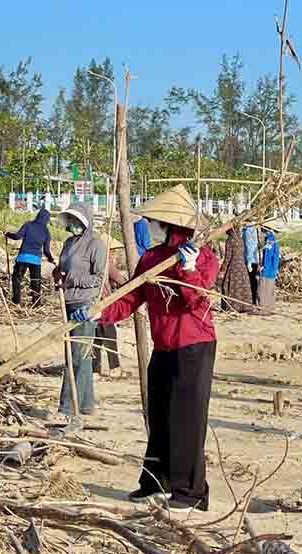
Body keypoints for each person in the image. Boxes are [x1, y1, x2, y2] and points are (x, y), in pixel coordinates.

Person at [99, 184, 219, 513]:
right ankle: (155, 481)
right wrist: (101, 312)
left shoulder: (204, 257)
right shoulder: (151, 258)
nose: (149, 226)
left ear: (168, 224)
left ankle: (190, 490)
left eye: (154, 221)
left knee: (187, 418)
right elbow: (130, 297)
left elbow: (195, 300)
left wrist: (189, 269)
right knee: (160, 413)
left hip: (194, 346)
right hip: (164, 346)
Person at [53, 202, 106, 418]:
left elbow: (100, 278)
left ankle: (67, 407)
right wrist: (57, 274)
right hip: (68, 302)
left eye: (77, 222)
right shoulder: (68, 243)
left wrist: (72, 279)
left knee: (78, 356)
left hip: (86, 305)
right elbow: (62, 268)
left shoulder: (96, 245)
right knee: (76, 356)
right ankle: (86, 404)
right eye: (71, 221)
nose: (73, 225)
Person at [93, 234, 127, 378]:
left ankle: (94, 370)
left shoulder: (91, 259)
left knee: (96, 338)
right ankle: (115, 368)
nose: (113, 253)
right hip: (103, 304)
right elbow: (121, 281)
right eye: (112, 251)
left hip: (91, 303)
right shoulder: (106, 264)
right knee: (110, 336)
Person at [6, 208, 55, 306]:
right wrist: (51, 259)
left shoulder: (28, 225)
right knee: (36, 281)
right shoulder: (46, 231)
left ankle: (16, 301)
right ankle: (36, 303)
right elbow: (46, 250)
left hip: (23, 257)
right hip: (36, 260)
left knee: (17, 279)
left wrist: (7, 234)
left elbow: (17, 236)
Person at [217, 226, 255, 313]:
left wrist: (223, 269)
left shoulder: (230, 240)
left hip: (233, 267)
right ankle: (244, 306)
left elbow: (228, 257)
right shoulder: (240, 239)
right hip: (242, 266)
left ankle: (232, 307)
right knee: (242, 286)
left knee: (229, 286)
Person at [258, 228, 281, 315]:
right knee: (270, 289)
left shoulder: (269, 240)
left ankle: (263, 308)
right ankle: (270, 307)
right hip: (273, 269)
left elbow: (268, 255)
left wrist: (264, 266)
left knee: (264, 289)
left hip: (268, 269)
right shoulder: (275, 240)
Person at [243, 223, 261, 304]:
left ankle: (252, 301)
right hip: (253, 259)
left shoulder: (248, 230)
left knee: (251, 282)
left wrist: (249, 261)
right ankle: (253, 301)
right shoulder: (253, 230)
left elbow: (249, 246)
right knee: (253, 281)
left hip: (250, 260)